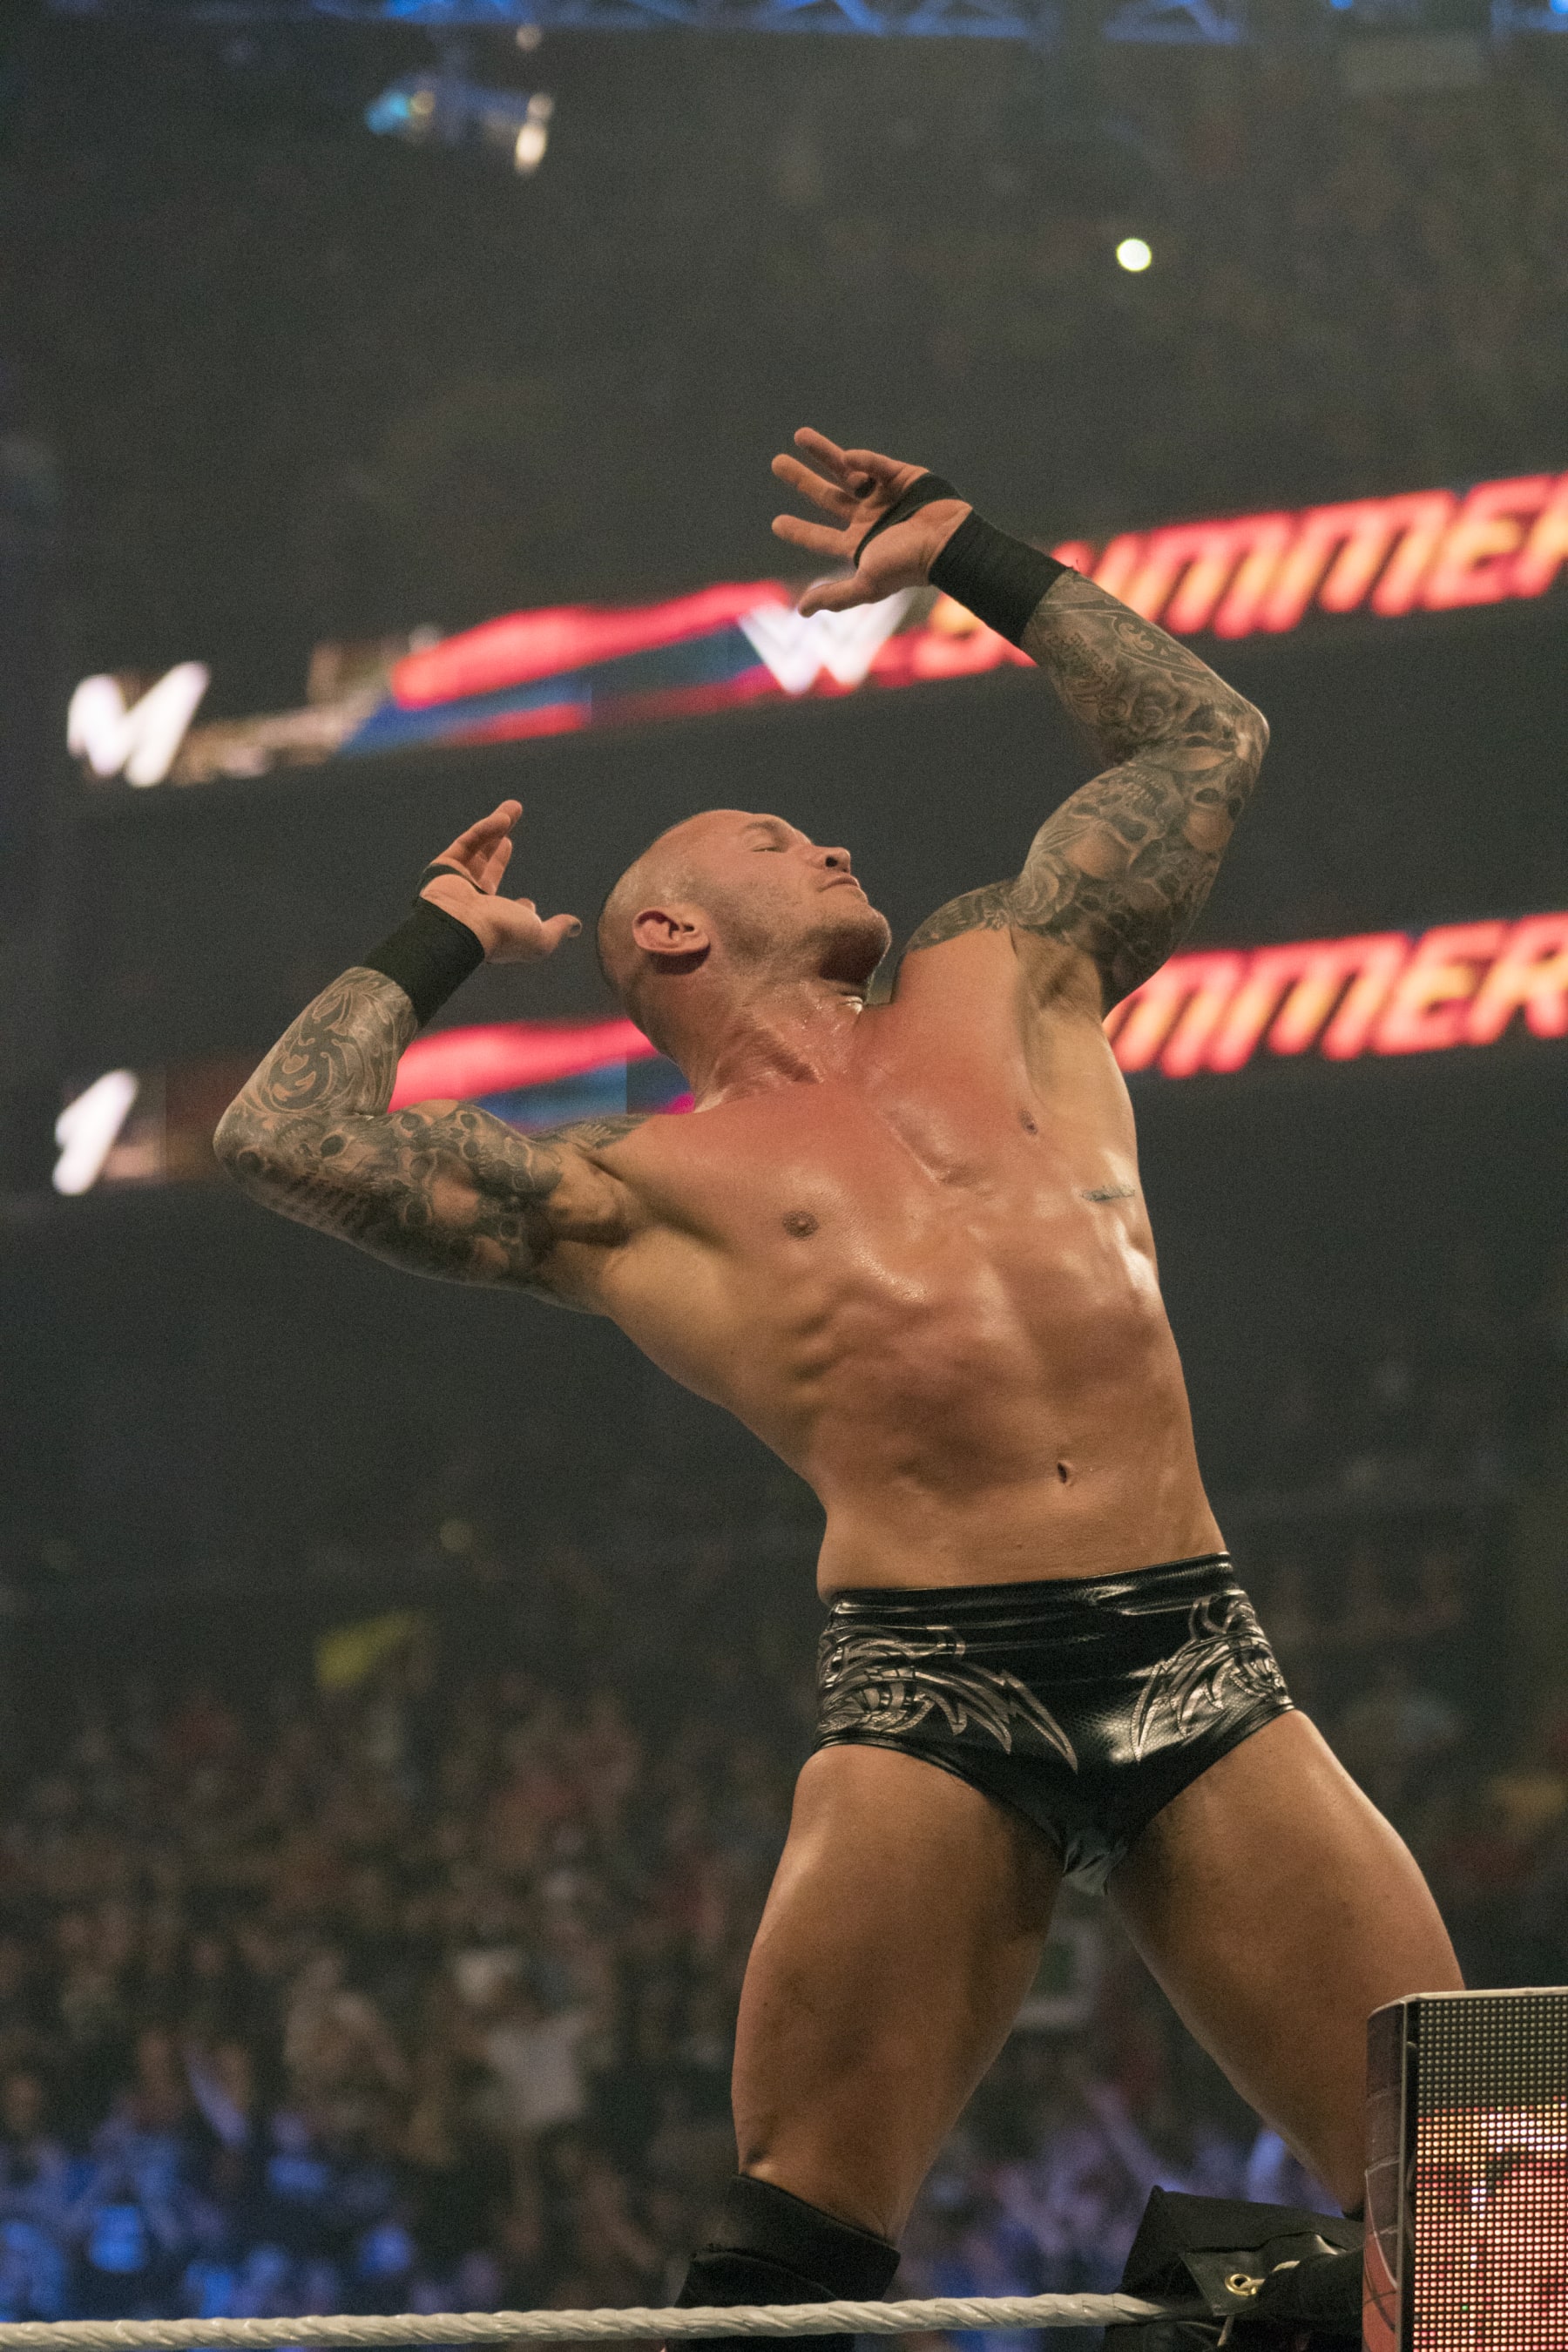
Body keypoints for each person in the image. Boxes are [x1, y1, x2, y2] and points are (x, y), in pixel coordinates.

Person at [216, 429, 1461, 2328]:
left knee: (1484, 2188)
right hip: (934, 1686)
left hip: (1196, 1644)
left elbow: (1204, 743)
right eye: (781, 838)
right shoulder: (633, 1195)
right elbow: (283, 1136)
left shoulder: (1008, 975)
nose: (842, 842)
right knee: (797, 2245)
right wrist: (434, 945)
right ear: (670, 932)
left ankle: (1250, 2303)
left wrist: (977, 557)